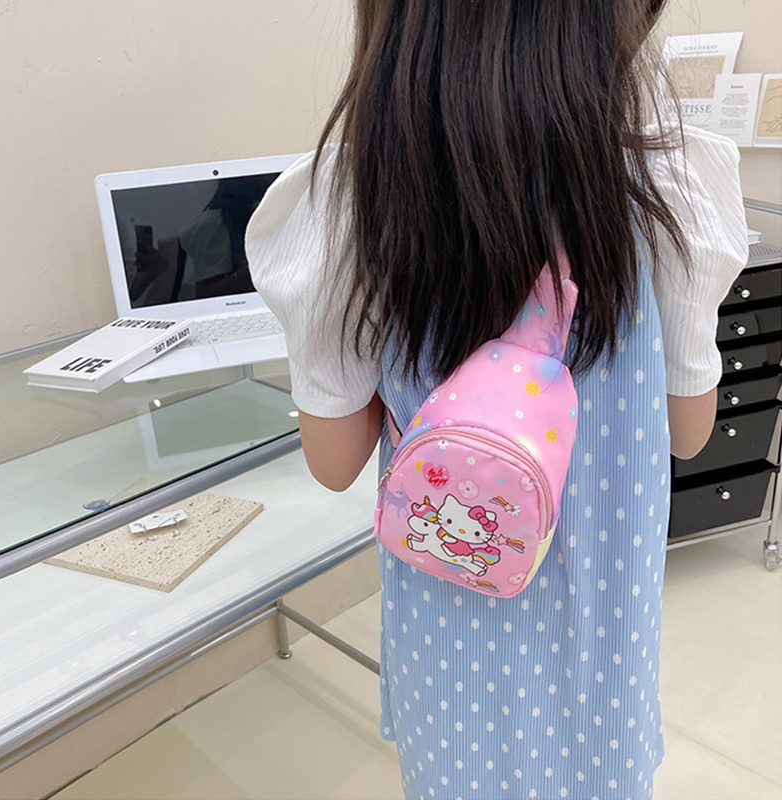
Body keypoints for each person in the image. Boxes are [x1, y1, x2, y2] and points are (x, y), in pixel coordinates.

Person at [245, 1, 748, 797]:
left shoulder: (347, 201)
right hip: (600, 663)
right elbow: (688, 431)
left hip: (449, 665)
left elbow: (334, 461)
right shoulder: (668, 186)